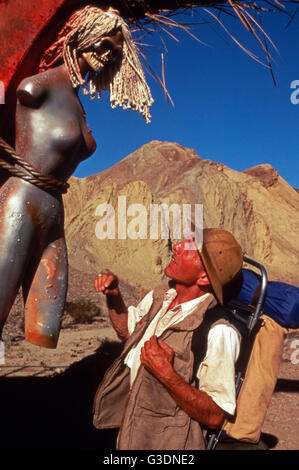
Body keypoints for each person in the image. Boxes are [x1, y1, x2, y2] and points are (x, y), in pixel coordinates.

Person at [0, 6, 153, 349]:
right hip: (21, 201)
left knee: (46, 325)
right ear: (81, 36)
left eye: (113, 51)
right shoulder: (35, 88)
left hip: (53, 211)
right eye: (101, 44)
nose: (104, 54)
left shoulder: (78, 104)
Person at [93, 228, 243, 450]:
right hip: (133, 434)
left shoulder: (219, 332)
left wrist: (166, 373)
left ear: (203, 277)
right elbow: (127, 331)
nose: (177, 246)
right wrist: (114, 296)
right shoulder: (161, 296)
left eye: (191, 248)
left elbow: (214, 416)